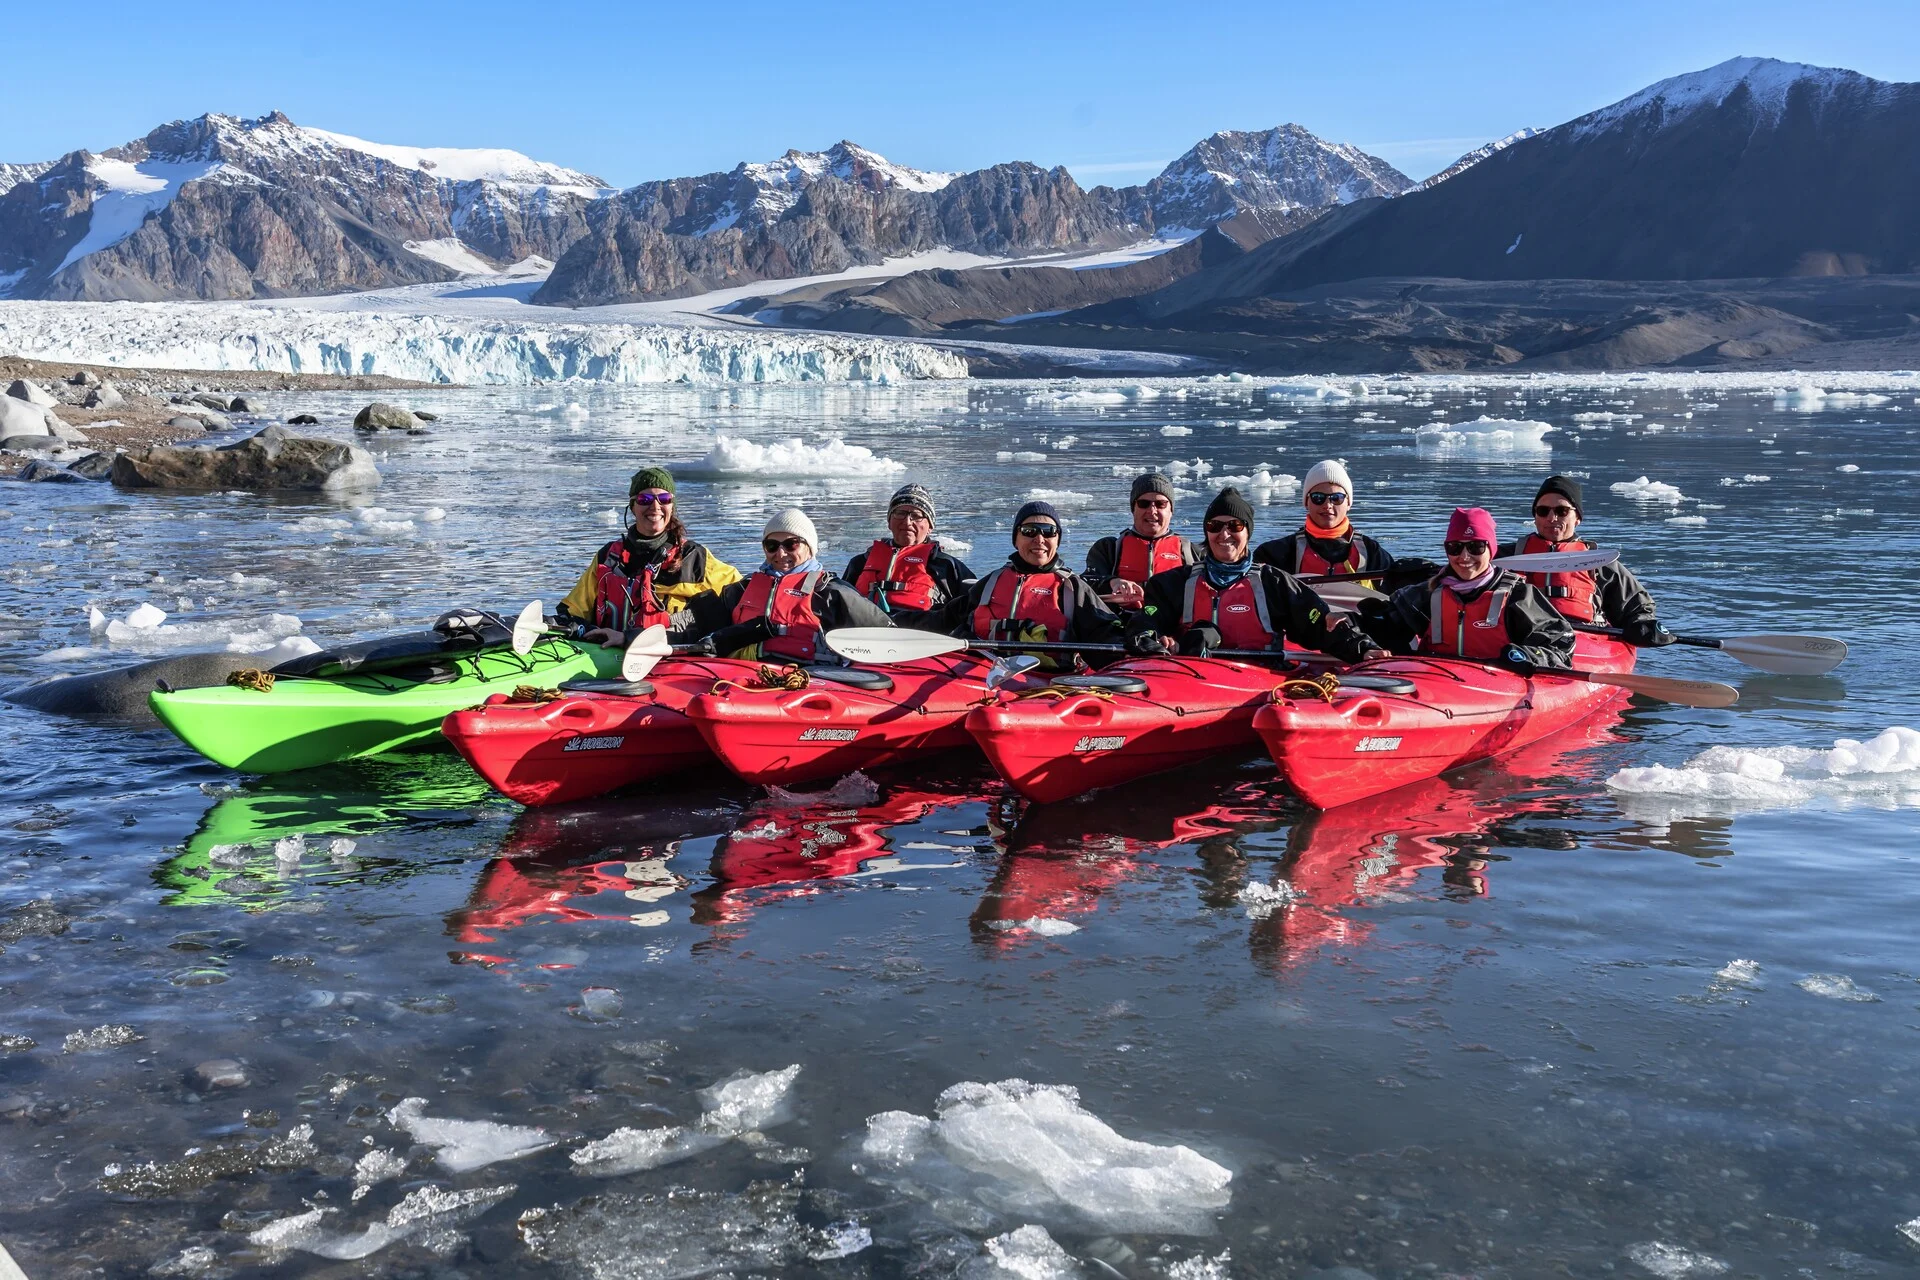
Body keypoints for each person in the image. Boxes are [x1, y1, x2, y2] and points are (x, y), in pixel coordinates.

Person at [1124, 487, 1387, 662]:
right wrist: (1151, 640)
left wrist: (1363, 649)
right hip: (1193, 677)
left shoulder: (1273, 582)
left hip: (1258, 677)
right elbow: (1147, 620)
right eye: (1215, 526)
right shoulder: (1173, 583)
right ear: (1206, 532)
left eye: (1235, 526)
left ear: (1248, 532)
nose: (1224, 534)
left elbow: (1320, 624)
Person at [1360, 507, 1575, 670]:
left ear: (1490, 550)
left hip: (1494, 685)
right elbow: (1381, 627)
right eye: (1455, 547)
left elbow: (1561, 644)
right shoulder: (1426, 594)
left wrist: (1527, 655)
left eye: (1475, 547)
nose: (1464, 557)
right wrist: (1360, 641)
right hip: (1436, 684)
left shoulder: (1518, 596)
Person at [668, 508, 892, 661]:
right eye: (772, 545)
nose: (781, 553)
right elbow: (697, 631)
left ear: (809, 547)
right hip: (740, 679)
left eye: (791, 544)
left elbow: (886, 634)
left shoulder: (831, 592)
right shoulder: (741, 589)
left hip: (809, 679)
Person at [557, 465, 740, 645]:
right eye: (645, 499)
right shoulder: (607, 557)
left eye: (664, 499)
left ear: (672, 505)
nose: (655, 506)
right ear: (633, 506)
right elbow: (573, 610)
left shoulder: (695, 558)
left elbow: (741, 594)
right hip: (606, 655)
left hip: (671, 658)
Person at [1500, 475, 1672, 647]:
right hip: (1521, 634)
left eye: (1562, 511)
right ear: (1535, 516)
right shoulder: (1506, 557)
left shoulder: (1598, 562)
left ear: (1577, 518)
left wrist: (1640, 626)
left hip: (1582, 637)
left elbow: (1638, 607)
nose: (1552, 518)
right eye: (1543, 511)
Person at [945, 500, 1123, 659]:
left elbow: (1106, 633)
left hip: (1049, 682)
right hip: (984, 674)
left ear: (1057, 540)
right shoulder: (991, 582)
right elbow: (943, 619)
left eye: (1048, 532)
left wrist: (1137, 638)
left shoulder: (1072, 587)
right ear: (1016, 539)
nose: (1039, 539)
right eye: (1029, 531)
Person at [843, 483, 975, 629]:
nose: (907, 522)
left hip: (921, 634)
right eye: (900, 513)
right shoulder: (860, 563)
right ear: (889, 521)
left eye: (916, 516)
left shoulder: (946, 566)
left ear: (930, 526)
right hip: (865, 630)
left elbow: (971, 608)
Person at [1253, 460, 1403, 583]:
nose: (1327, 505)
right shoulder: (1274, 554)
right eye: (1318, 498)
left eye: (1336, 498)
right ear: (1306, 502)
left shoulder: (1372, 553)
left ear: (1348, 503)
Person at [1083, 473, 1195, 608]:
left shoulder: (1191, 552)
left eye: (1160, 504)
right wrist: (1112, 582)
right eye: (1143, 504)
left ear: (1171, 510)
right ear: (1133, 509)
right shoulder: (1108, 549)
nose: (1152, 510)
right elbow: (1085, 582)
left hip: (1172, 624)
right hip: (1123, 623)